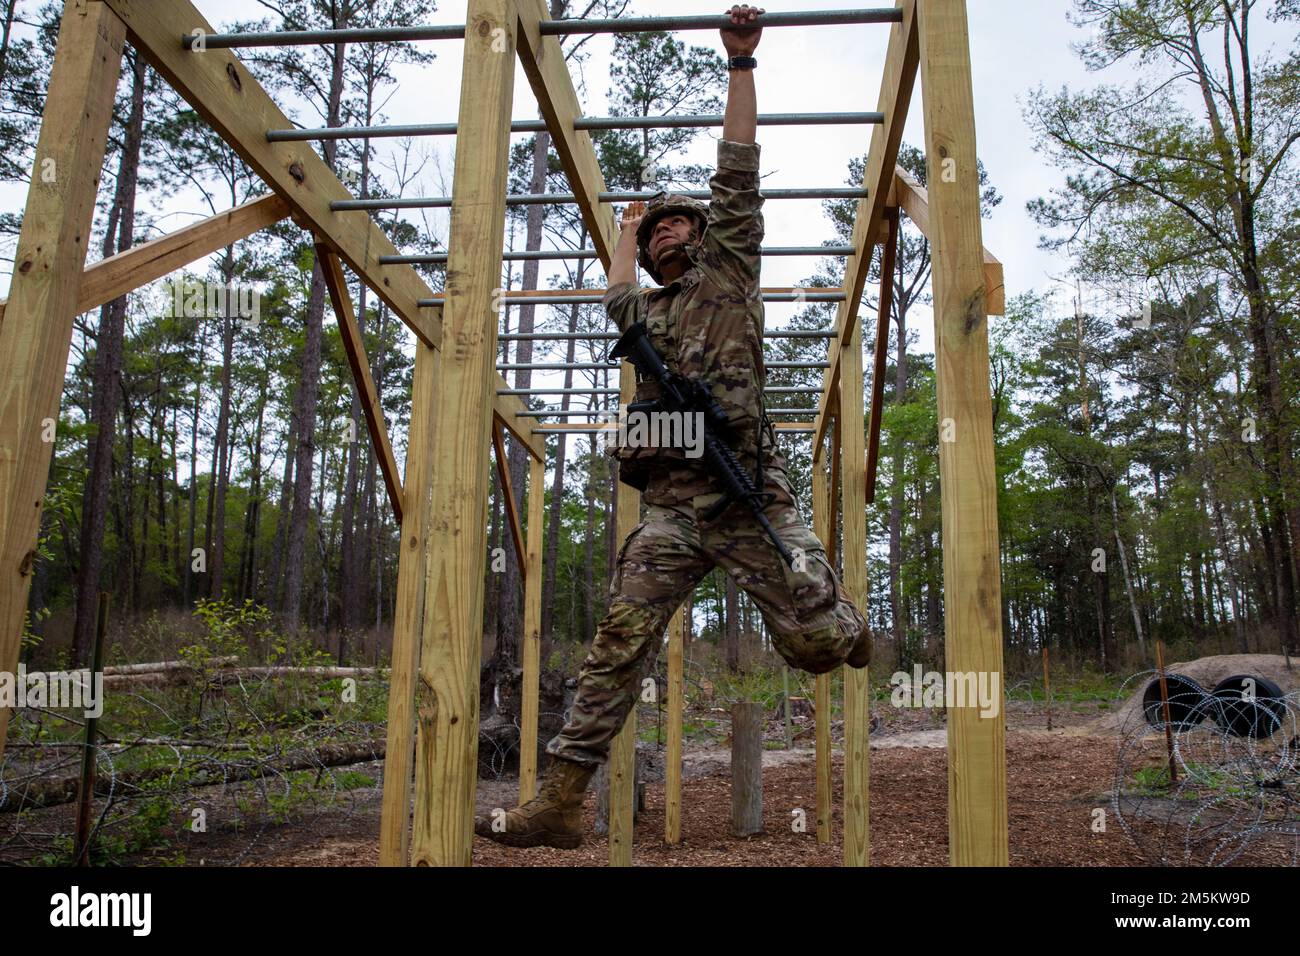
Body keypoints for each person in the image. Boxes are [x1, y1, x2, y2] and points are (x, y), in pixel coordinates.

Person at [476, 4, 870, 851]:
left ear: (703, 233)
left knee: (812, 646)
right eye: (652, 232)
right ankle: (559, 801)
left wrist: (740, 65)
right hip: (670, 512)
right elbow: (613, 292)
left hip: (748, 491)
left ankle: (846, 623)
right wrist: (619, 229)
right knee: (617, 645)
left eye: (674, 222)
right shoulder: (644, 317)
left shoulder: (731, 271)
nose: (663, 234)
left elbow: (738, 170)